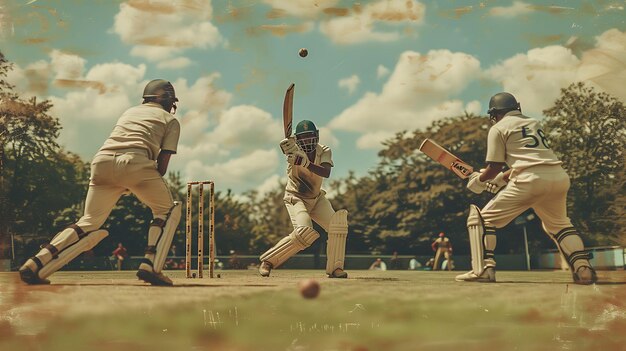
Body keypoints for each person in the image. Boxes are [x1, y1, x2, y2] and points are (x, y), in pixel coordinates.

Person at [19, 79, 182, 286]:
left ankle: (36, 262)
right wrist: (134, 184)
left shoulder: (129, 112)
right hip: (136, 161)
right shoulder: (170, 120)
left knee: (89, 221)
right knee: (166, 211)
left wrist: (124, 182)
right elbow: (162, 166)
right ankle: (150, 265)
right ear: (168, 100)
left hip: (102, 162)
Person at [456, 92, 597, 285]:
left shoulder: (498, 128)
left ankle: (484, 270)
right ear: (517, 107)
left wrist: (479, 181)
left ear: (494, 113)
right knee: (559, 225)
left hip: (530, 180)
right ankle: (584, 269)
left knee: (482, 220)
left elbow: (494, 166)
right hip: (558, 177)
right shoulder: (533, 123)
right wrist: (500, 180)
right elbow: (531, 160)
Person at [258, 120, 349, 278]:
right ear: (297, 140)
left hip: (317, 198)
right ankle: (268, 261)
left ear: (317, 136)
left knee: (338, 226)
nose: (307, 141)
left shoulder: (324, 151)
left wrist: (306, 163)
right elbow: (290, 152)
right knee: (304, 232)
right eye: (304, 138)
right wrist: (289, 151)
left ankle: (335, 268)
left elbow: (326, 173)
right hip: (296, 197)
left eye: (310, 136)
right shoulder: (294, 153)